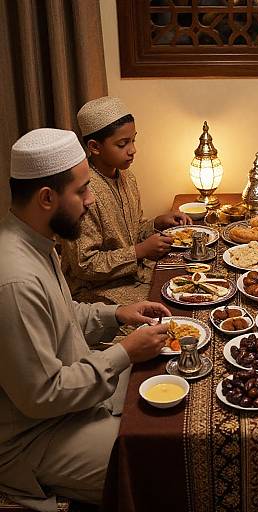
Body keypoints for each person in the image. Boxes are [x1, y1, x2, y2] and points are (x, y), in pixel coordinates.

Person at [0, 128, 171, 511]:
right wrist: (124, 353)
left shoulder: (35, 242)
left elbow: (61, 313)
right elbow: (43, 396)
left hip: (67, 406)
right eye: (81, 191)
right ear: (47, 198)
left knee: (172, 374)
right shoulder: (14, 278)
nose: (91, 201)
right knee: (162, 456)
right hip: (35, 436)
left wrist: (115, 313)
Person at [60, 96, 192, 305]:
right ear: (94, 147)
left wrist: (157, 223)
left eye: (133, 140)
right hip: (97, 292)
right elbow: (84, 264)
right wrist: (140, 251)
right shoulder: (82, 192)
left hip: (134, 275)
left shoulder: (126, 177)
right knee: (171, 308)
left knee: (191, 279)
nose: (132, 150)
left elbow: (132, 232)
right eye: (122, 144)